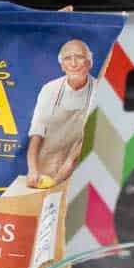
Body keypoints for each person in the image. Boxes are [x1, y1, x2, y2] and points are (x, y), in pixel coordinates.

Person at [26, 39, 97, 188]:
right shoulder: (49, 89)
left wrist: (67, 167)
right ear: (62, 66)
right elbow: (36, 133)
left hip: (81, 169)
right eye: (67, 58)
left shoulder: (100, 90)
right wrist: (33, 170)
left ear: (89, 62)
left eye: (79, 57)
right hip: (44, 170)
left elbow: (89, 136)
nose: (73, 63)